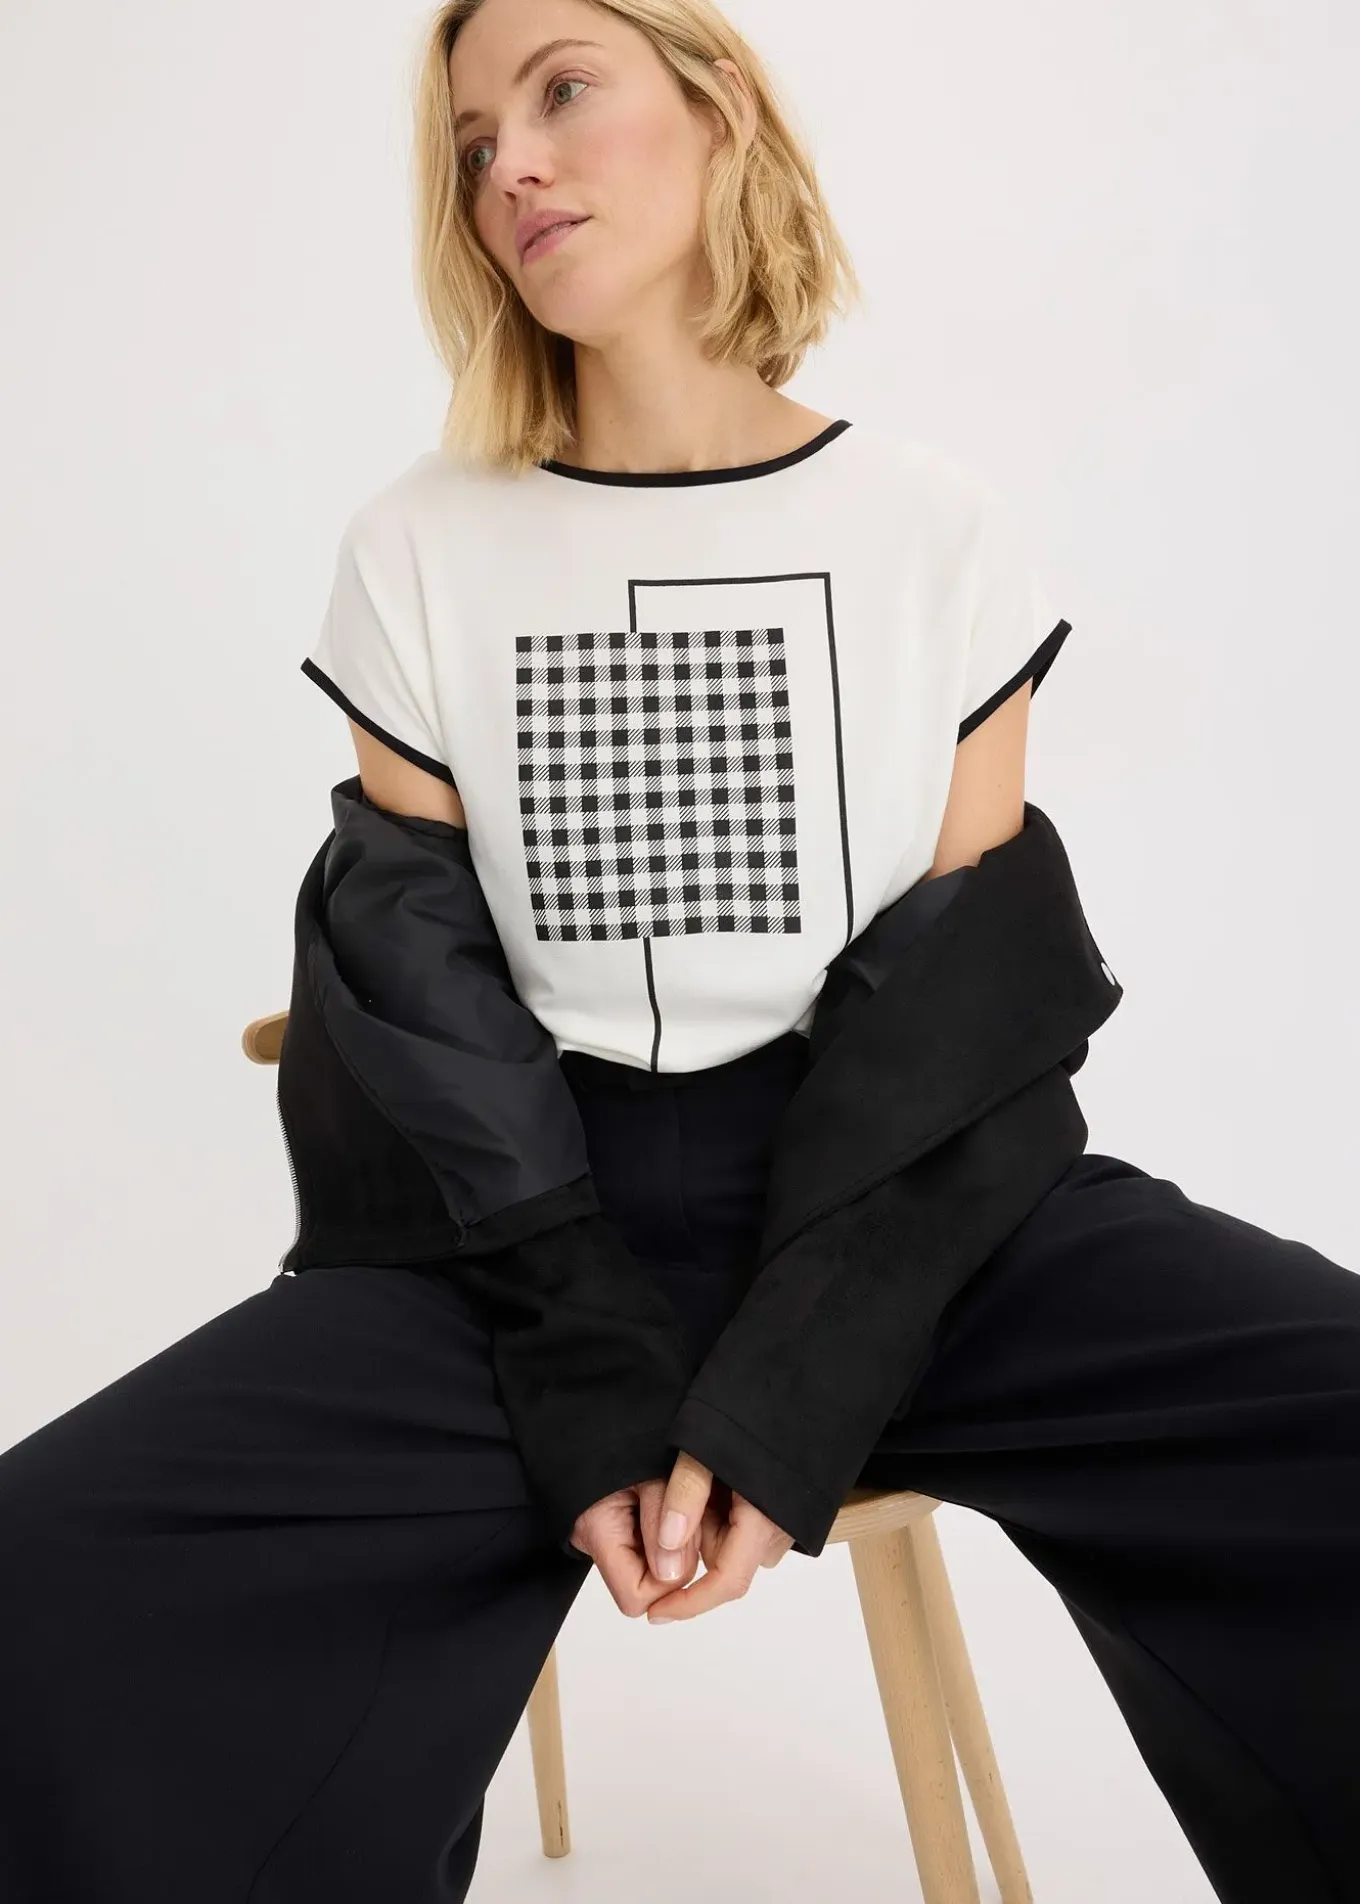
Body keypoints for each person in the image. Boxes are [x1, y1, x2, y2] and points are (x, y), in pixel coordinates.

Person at [1, 0, 1356, 1899]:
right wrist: (587, 1354)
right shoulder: (418, 545)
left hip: (913, 1220)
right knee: (48, 1574)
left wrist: (797, 1383)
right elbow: (420, 982)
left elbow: (969, 1008)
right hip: (519, 1235)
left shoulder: (936, 533)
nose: (513, 166)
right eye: (473, 145)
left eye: (562, 91)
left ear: (718, 109)